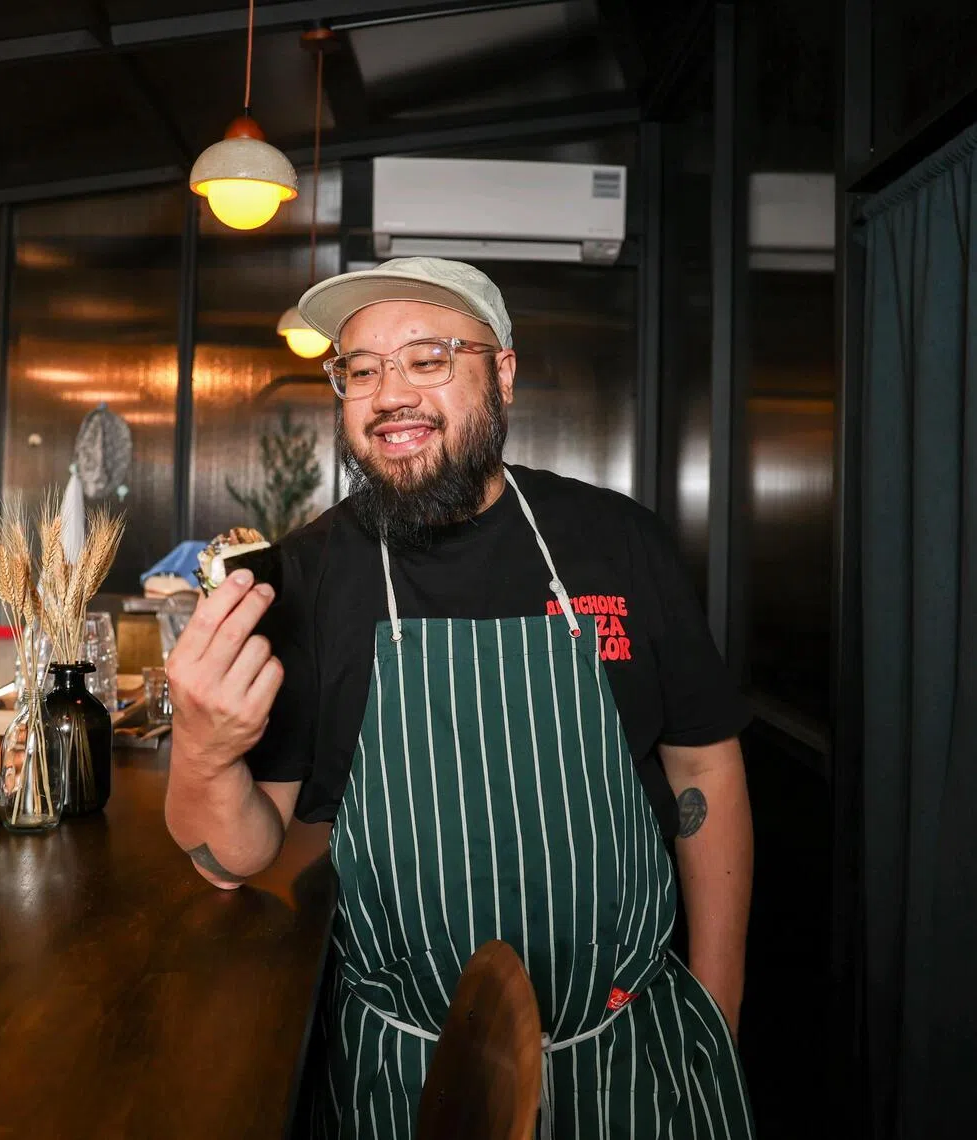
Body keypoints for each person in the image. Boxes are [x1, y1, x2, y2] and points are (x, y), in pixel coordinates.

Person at [165, 257, 755, 1138]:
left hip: (630, 1058)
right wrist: (205, 750)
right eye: (362, 370)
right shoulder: (311, 575)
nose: (390, 394)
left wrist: (715, 1013)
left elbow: (705, 768)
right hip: (404, 1079)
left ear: (503, 373)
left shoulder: (618, 541)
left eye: (428, 358)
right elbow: (232, 859)